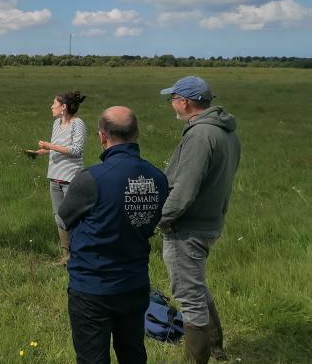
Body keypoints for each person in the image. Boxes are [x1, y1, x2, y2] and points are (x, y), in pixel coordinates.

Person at [57, 106, 168, 364]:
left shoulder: (91, 178)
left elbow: (64, 219)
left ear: (102, 136)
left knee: (92, 358)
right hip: (135, 282)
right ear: (137, 133)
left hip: (92, 287)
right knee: (133, 353)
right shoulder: (158, 178)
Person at [160, 76, 240, 363]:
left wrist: (160, 218)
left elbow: (185, 190)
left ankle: (199, 358)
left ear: (184, 101)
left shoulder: (200, 135)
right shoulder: (226, 131)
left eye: (172, 98)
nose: (171, 104)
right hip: (210, 221)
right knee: (196, 285)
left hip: (188, 227)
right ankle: (216, 346)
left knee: (189, 296)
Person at [35, 91, 87, 266]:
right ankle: (66, 256)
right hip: (55, 176)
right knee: (59, 216)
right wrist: (43, 151)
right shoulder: (56, 123)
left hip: (71, 178)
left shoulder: (77, 124)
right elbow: (59, 147)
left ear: (63, 107)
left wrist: (50, 146)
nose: (51, 107)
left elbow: (75, 150)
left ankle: (79, 254)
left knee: (74, 216)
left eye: (54, 104)